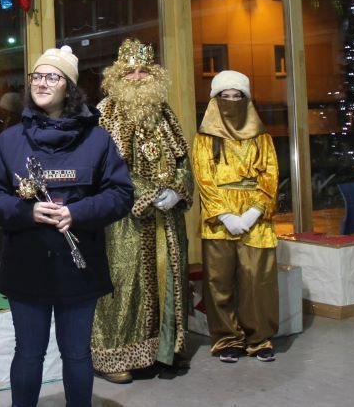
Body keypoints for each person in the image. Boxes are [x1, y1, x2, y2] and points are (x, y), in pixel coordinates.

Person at [0, 45, 133, 407]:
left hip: (79, 266)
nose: (42, 83)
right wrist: (26, 212)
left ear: (70, 87)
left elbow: (121, 194)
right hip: (27, 264)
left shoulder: (97, 140)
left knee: (77, 354)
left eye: (52, 76)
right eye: (37, 76)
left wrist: (78, 212)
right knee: (28, 353)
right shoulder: (11, 140)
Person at [91, 39, 192, 383]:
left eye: (143, 71)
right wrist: (149, 193)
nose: (137, 77)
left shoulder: (164, 112)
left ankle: (165, 351)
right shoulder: (104, 113)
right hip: (125, 219)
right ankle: (114, 357)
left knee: (167, 281)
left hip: (167, 217)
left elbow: (182, 159)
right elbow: (104, 167)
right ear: (117, 76)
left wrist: (177, 190)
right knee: (125, 284)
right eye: (129, 71)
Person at [191, 70, 279, 364]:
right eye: (224, 97)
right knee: (219, 280)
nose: (231, 102)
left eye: (236, 96)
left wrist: (254, 211)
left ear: (246, 100)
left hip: (257, 216)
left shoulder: (262, 137)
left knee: (257, 281)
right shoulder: (203, 139)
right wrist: (226, 215)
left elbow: (270, 175)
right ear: (215, 101)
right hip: (219, 219)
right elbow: (203, 178)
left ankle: (260, 338)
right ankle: (227, 338)